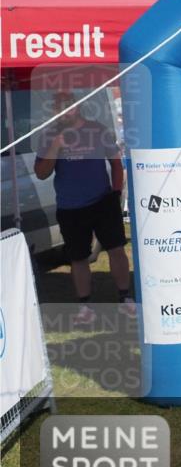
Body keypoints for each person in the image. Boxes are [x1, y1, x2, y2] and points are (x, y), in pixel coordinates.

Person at [34, 91, 134, 325]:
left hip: (102, 201)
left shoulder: (97, 130)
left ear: (76, 107)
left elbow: (116, 164)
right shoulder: (49, 135)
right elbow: (41, 173)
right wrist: (56, 146)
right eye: (57, 108)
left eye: (66, 107)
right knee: (78, 258)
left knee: (116, 249)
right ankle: (85, 306)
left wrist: (116, 193)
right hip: (70, 206)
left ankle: (125, 298)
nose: (61, 112)